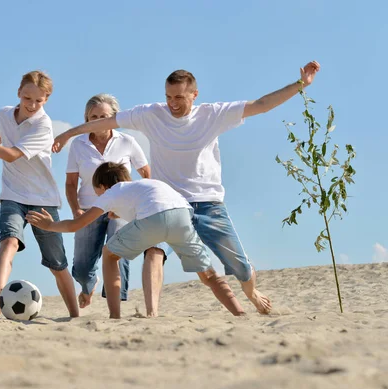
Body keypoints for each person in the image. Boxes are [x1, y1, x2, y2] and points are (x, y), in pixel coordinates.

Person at [52, 61, 321, 316]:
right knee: (155, 252)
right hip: (167, 204)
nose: (172, 103)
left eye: (179, 97)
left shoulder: (213, 114)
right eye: (168, 96)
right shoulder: (151, 114)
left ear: (194, 95)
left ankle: (250, 293)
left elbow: (262, 105)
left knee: (239, 266)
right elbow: (106, 123)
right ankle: (152, 313)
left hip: (208, 202)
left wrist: (302, 84)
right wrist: (67, 134)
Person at [0, 70, 80, 318]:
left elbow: (11, 154)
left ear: (46, 99)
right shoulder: (5, 113)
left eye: (38, 100)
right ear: (18, 93)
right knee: (9, 241)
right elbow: (2, 135)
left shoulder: (43, 125)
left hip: (42, 201)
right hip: (12, 195)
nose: (32, 105)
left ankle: (75, 315)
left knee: (57, 264)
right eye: (27, 98)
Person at [26, 162, 211, 319]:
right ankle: (233, 305)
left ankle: (115, 315)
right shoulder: (141, 189)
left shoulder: (110, 193)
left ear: (102, 187)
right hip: (181, 217)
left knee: (111, 253)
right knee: (204, 273)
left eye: (96, 191)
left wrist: (50, 226)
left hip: (158, 221)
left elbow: (76, 224)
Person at [66, 94, 150, 309]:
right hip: (89, 209)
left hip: (120, 209)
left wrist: (139, 202)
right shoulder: (78, 144)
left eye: (104, 116)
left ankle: (116, 305)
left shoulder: (127, 141)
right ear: (86, 119)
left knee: (118, 251)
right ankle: (89, 284)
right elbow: (70, 183)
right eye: (93, 116)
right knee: (82, 269)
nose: (98, 120)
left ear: (114, 118)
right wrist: (76, 210)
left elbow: (146, 173)